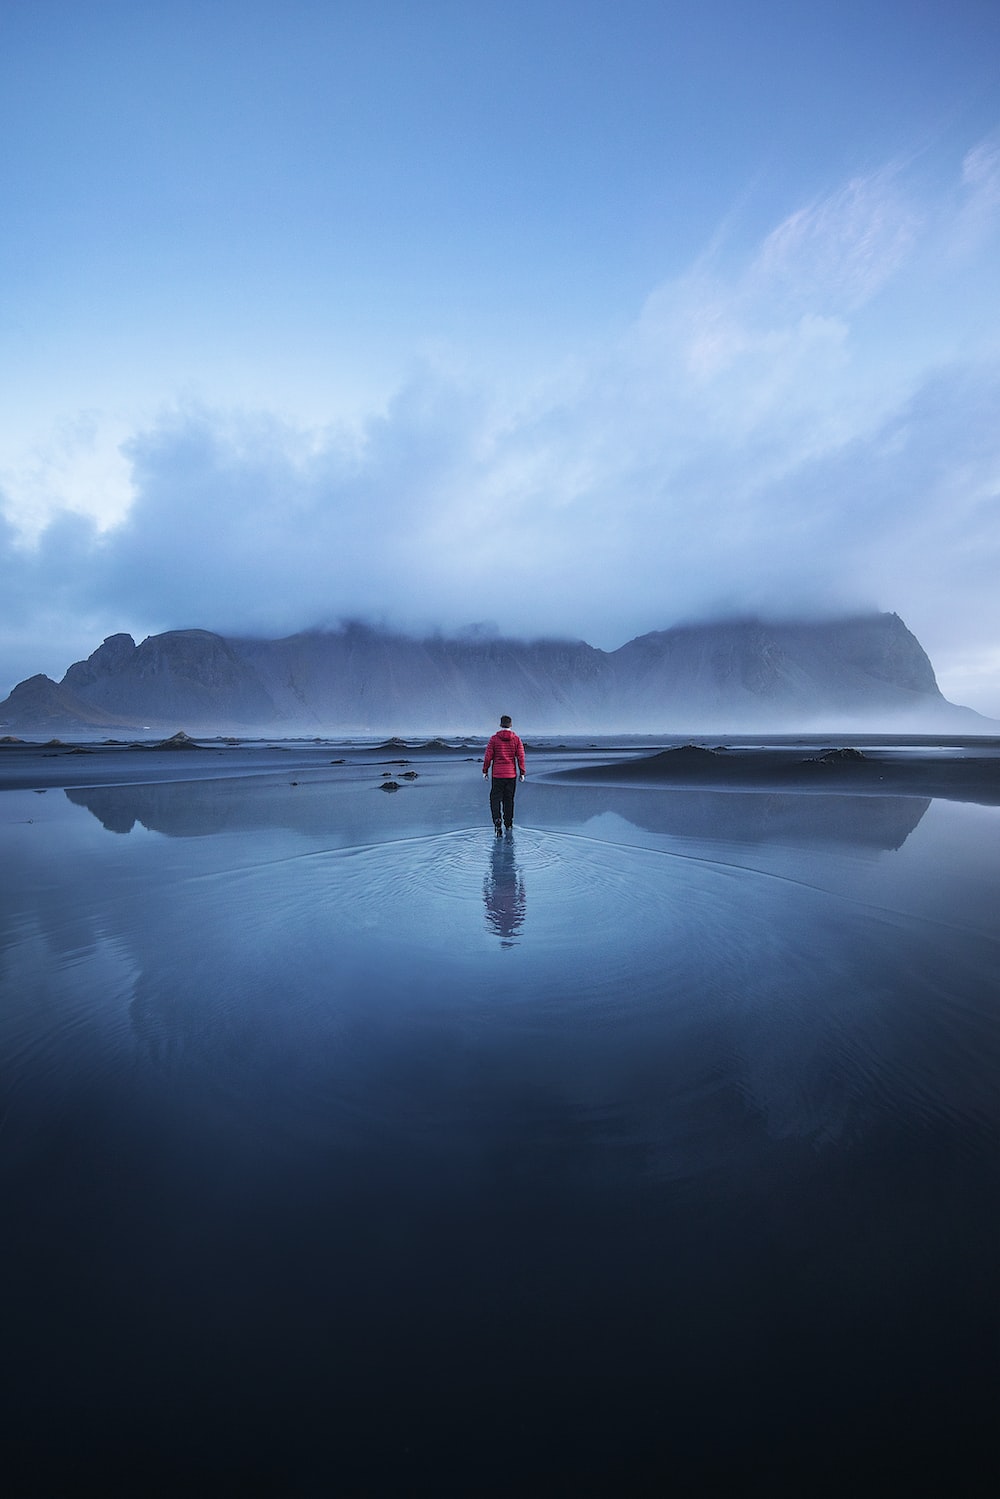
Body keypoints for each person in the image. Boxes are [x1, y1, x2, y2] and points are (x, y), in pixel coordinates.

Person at [482, 714, 525, 834]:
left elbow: (488, 757)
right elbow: (521, 756)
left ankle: (497, 820)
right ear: (511, 725)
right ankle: (509, 824)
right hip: (511, 775)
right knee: (509, 800)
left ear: (500, 725)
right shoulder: (516, 739)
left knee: (494, 799)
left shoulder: (494, 739)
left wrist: (485, 770)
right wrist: (522, 772)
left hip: (497, 775)